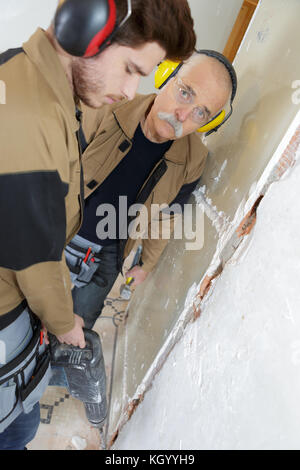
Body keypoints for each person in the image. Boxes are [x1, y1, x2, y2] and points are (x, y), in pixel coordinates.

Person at [0, 0, 196, 450]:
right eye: (130, 68)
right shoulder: (27, 116)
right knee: (18, 428)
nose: (130, 90)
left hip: (26, 302)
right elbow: (34, 258)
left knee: (23, 422)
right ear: (85, 28)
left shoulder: (39, 88)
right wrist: (64, 321)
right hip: (7, 312)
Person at [65, 50, 237, 330]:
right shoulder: (105, 108)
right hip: (58, 230)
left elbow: (166, 217)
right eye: (185, 93)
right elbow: (51, 173)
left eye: (201, 112)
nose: (183, 115)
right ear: (165, 75)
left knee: (74, 336)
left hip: (108, 255)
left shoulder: (194, 160)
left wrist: (145, 264)